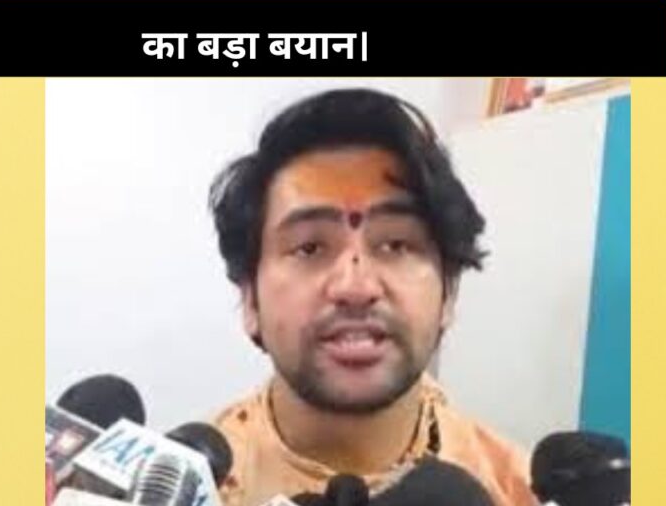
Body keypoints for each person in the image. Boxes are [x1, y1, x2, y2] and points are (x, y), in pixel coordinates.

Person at [207, 88, 537, 506]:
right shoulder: (184, 487)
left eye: (396, 245)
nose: (355, 287)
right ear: (250, 299)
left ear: (449, 291)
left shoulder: (517, 491)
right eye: (310, 248)